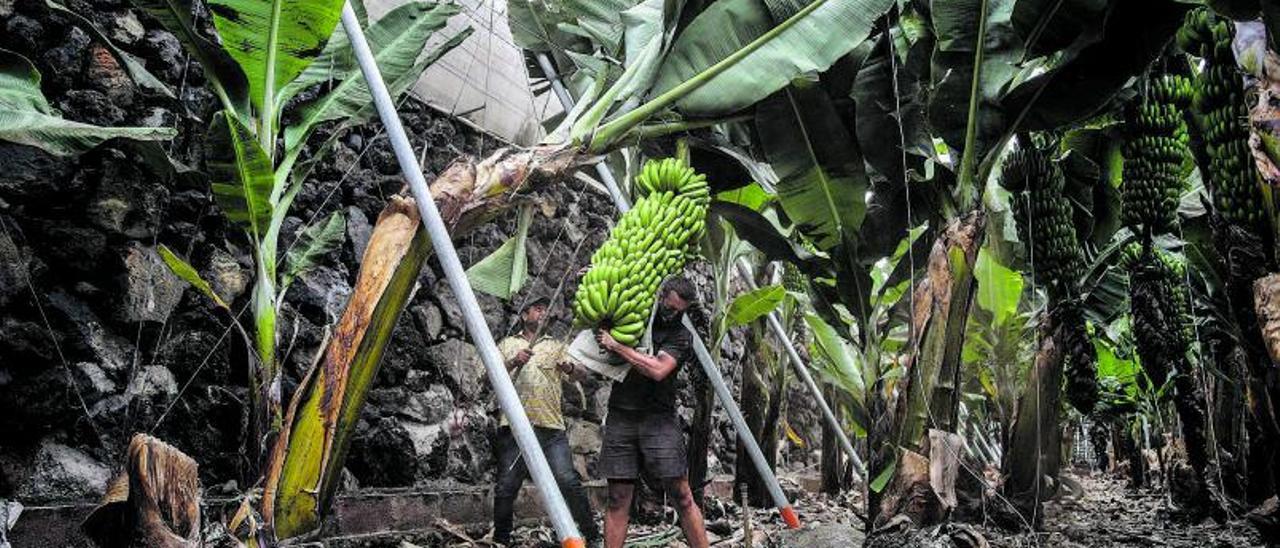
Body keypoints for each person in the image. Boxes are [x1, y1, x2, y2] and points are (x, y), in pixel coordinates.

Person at [595, 277, 709, 548]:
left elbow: (658, 370)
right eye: (669, 307)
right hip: (621, 415)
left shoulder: (681, 336)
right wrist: (595, 278)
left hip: (659, 419)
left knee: (681, 494)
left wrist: (617, 346)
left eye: (679, 311)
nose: (672, 314)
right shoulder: (634, 317)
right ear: (660, 297)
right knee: (618, 497)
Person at [493, 297, 600, 546]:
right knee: (506, 486)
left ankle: (592, 535)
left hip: (550, 426)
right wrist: (513, 361)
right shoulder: (508, 344)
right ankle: (500, 539)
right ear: (524, 314)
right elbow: (490, 377)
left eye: (545, 310)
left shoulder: (555, 346)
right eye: (538, 309)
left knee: (568, 480)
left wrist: (570, 369)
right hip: (514, 427)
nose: (543, 313)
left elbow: (583, 374)